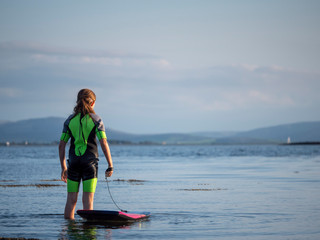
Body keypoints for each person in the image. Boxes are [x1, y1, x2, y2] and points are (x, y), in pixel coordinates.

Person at [59, 88, 113, 219]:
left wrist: (64, 168)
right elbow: (103, 143)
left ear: (77, 102)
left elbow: (62, 145)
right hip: (90, 163)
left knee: (71, 201)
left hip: (73, 163)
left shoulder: (69, 120)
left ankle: (69, 231)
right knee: (88, 201)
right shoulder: (96, 119)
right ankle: (87, 233)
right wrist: (110, 164)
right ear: (93, 103)